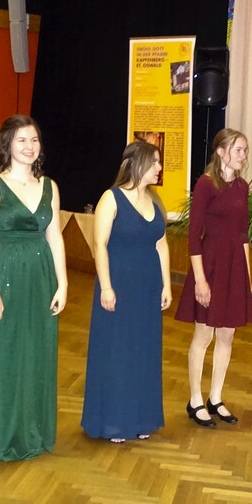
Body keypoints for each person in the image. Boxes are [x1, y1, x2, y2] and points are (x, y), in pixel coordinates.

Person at [0, 115, 67, 465]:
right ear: (7, 145)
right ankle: (0, 436)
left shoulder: (50, 186)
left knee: (36, 355)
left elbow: (54, 237)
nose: (29, 146)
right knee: (3, 355)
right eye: (21, 140)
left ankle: (31, 432)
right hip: (4, 276)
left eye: (34, 140)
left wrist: (63, 283)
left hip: (40, 279)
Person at [82, 140, 171, 443]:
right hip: (119, 284)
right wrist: (106, 286)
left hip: (148, 287)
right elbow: (99, 245)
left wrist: (166, 284)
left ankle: (141, 417)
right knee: (117, 351)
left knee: (144, 351)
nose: (159, 168)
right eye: (155, 162)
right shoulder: (112, 198)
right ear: (137, 163)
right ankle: (114, 421)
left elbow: (161, 244)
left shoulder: (154, 200)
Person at [175, 129, 252, 428]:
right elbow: (194, 236)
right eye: (238, 149)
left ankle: (215, 397)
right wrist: (200, 280)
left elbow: (243, 233)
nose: (243, 155)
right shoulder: (206, 184)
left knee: (227, 335)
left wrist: (246, 276)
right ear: (221, 151)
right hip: (209, 265)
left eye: (245, 150)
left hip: (234, 267)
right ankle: (195, 399)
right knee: (204, 335)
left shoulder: (242, 186)